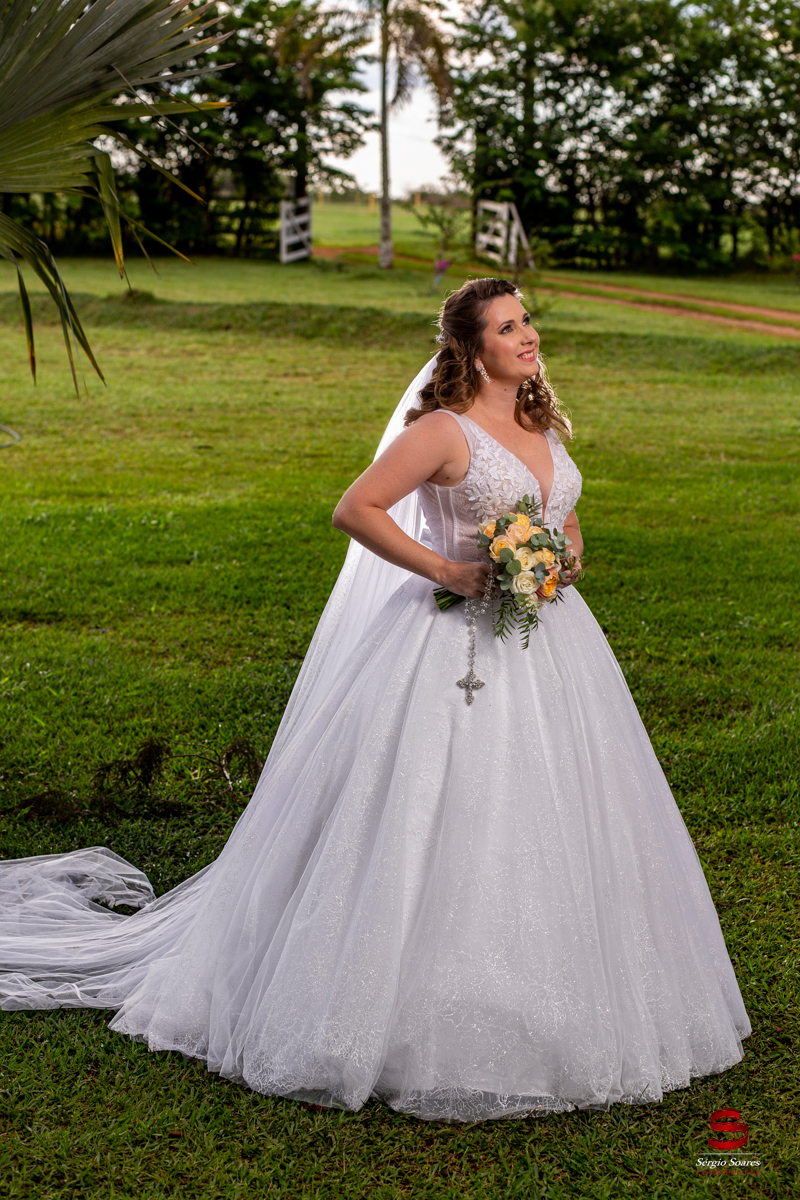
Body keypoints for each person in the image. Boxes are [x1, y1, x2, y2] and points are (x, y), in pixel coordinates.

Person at [0, 278, 750, 1125]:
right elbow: (356, 508)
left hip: (551, 646)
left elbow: (564, 516)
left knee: (563, 807)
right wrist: (449, 569)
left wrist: (566, 556)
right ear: (473, 350)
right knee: (438, 807)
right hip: (452, 649)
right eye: (508, 327)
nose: (528, 335)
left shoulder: (538, 421)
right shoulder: (442, 431)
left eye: (528, 320)